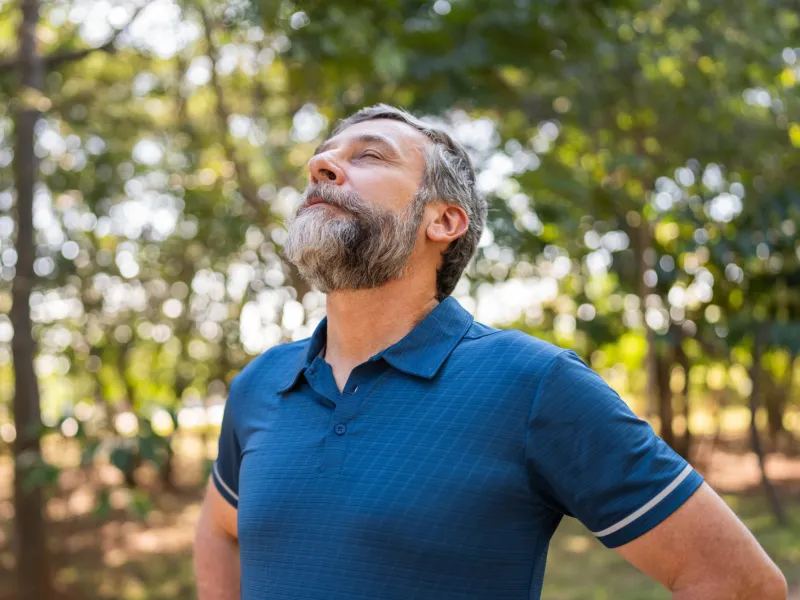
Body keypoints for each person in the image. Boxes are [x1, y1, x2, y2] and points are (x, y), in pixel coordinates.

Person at [193, 104, 787, 600]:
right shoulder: (259, 384)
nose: (320, 165)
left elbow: (740, 582)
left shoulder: (536, 384)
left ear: (444, 220)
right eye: (325, 157)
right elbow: (219, 530)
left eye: (368, 156)